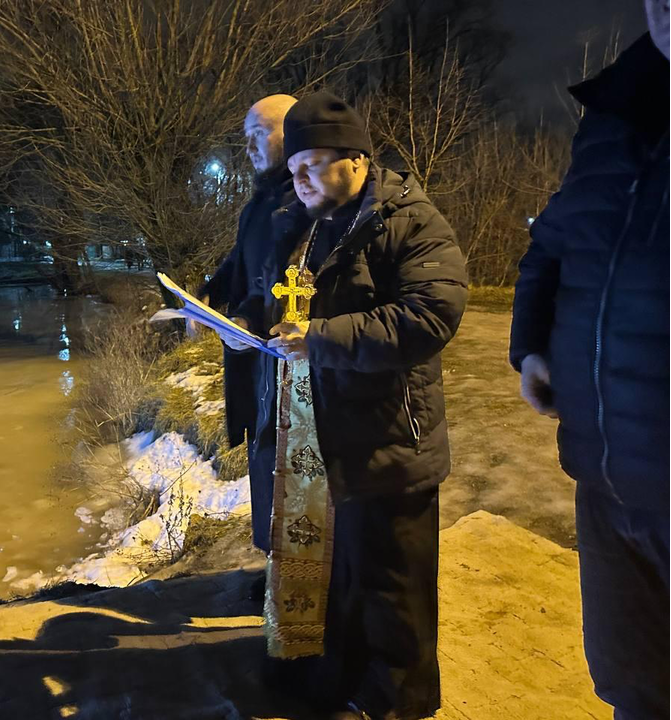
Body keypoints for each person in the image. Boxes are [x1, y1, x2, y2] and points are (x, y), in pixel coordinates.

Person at [221, 91, 467, 720]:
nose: (297, 182)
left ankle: (400, 703)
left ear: (355, 160)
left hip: (392, 438)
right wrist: (242, 321)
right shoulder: (310, 220)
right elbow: (277, 300)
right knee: (343, 578)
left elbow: (430, 315)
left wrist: (323, 339)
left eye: (310, 168)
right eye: (293, 169)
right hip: (325, 435)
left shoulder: (407, 219)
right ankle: (342, 684)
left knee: (394, 587)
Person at [510, 2, 670, 716]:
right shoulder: (613, 113)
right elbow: (553, 240)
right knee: (629, 687)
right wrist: (532, 346)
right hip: (602, 476)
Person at [197, 94, 297, 563]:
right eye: (247, 136)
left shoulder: (306, 201)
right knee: (263, 454)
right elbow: (243, 258)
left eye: (260, 132)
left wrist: (246, 319)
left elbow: (285, 281)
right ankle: (271, 566)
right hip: (257, 358)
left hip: (290, 360)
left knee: (287, 462)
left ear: (293, 131)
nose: (250, 146)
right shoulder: (261, 201)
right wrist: (209, 294)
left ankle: (296, 577)